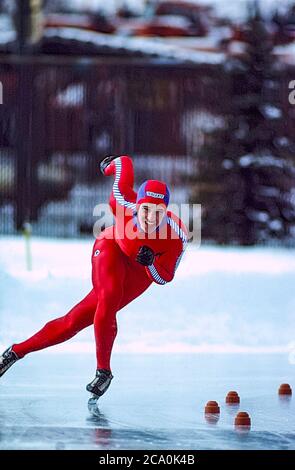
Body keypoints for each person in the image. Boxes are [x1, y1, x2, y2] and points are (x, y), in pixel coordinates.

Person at [0, 155, 188, 398]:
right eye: (146, 209)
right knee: (108, 297)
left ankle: (15, 351)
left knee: (73, 321)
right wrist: (110, 164)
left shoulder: (177, 236)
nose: (151, 217)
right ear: (136, 206)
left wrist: (150, 264)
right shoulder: (121, 203)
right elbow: (123, 164)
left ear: (166, 212)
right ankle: (104, 372)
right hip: (110, 248)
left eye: (158, 212)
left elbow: (165, 278)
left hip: (139, 273)